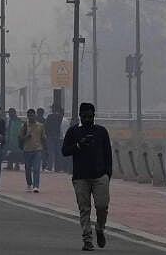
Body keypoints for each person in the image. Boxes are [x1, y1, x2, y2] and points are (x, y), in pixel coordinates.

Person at [62, 103, 113, 251]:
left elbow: (108, 153)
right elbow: (64, 151)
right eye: (84, 116)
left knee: (102, 206)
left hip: (100, 176)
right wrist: (79, 145)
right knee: (84, 209)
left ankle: (100, 228)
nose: (87, 119)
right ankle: (87, 239)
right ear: (80, 116)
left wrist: (108, 173)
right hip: (80, 177)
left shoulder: (101, 131)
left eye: (90, 116)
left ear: (94, 115)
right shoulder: (73, 132)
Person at [21, 108, 46, 192]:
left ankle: (36, 186)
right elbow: (20, 138)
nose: (30, 117)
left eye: (32, 115)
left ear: (35, 115)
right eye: (29, 116)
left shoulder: (40, 126)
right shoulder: (24, 125)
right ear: (27, 117)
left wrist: (46, 148)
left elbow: (43, 138)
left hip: (37, 149)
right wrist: (26, 137)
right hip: (27, 150)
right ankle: (29, 183)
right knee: (28, 168)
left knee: (36, 168)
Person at [45, 104, 65, 173]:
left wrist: (47, 134)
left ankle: (49, 167)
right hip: (58, 136)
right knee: (58, 152)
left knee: (51, 152)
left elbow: (46, 126)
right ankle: (58, 168)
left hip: (50, 136)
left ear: (53, 109)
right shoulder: (61, 117)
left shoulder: (50, 116)